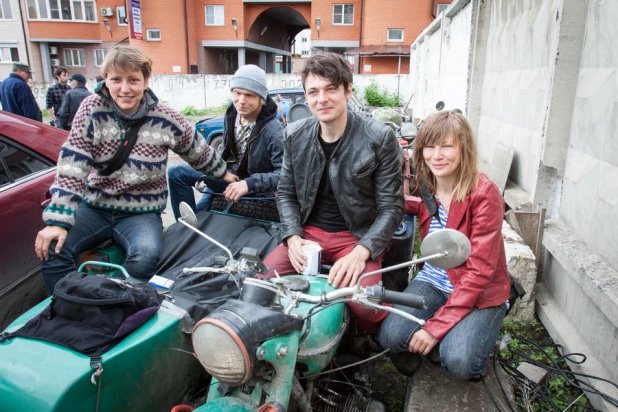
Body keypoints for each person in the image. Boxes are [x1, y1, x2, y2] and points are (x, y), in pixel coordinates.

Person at [34, 45, 237, 293]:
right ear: (106, 80)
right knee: (53, 248)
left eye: (133, 80)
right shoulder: (92, 109)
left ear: (146, 80)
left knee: (146, 257)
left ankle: (124, 307)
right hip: (95, 206)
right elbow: (72, 164)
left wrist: (225, 175)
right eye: (116, 80)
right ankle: (70, 305)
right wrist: (58, 220)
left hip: (141, 212)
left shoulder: (166, 116)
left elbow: (196, 149)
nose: (125, 88)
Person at [263, 53, 404, 333]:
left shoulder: (379, 138)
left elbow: (391, 208)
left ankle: (368, 339)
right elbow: (286, 193)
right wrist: (292, 238)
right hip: (308, 236)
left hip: (357, 236)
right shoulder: (294, 134)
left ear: (348, 90)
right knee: (261, 285)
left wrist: (361, 252)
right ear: (305, 97)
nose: (322, 99)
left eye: (331, 89)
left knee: (366, 304)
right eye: (313, 92)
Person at [376, 111, 510, 380]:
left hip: (478, 291)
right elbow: (422, 208)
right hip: (436, 280)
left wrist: (435, 328)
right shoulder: (427, 184)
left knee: (460, 361)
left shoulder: (484, 192)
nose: (436, 155)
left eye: (447, 146)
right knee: (390, 336)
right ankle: (441, 337)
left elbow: (480, 272)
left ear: (464, 149)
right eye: (430, 146)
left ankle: (460, 334)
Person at [167, 64, 284, 220]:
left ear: (261, 98)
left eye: (249, 95)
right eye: (237, 93)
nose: (241, 101)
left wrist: (249, 183)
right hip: (229, 177)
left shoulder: (273, 131)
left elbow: (283, 175)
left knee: (201, 216)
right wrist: (215, 173)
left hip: (255, 189)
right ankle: (183, 227)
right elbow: (225, 152)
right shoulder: (232, 112)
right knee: (177, 172)